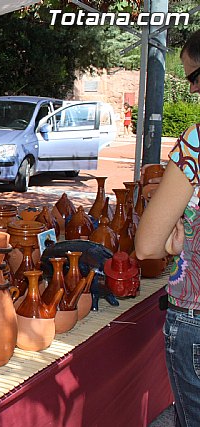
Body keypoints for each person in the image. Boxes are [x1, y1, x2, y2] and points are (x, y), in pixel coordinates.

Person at [135, 29, 200, 427]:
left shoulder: (196, 142)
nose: (192, 90)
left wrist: (174, 245)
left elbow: (146, 247)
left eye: (193, 77)